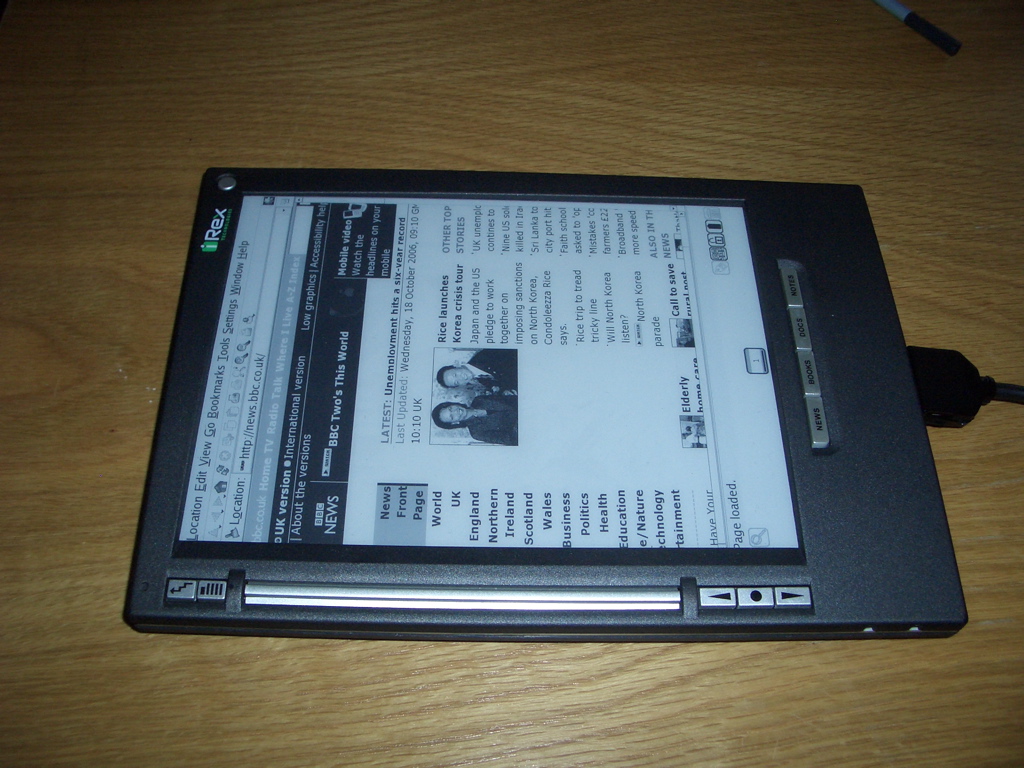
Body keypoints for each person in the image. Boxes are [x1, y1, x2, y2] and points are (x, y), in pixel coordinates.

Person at [431, 393, 518, 445]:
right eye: (452, 417)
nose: (455, 412)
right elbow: (511, 439)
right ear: (454, 423)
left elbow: (511, 399)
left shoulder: (479, 400)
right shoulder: (477, 433)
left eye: (450, 408)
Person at [436, 349, 518, 395]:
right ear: (461, 385)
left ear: (456, 366)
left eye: (455, 374)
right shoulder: (482, 380)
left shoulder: (484, 356)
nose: (460, 378)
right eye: (456, 382)